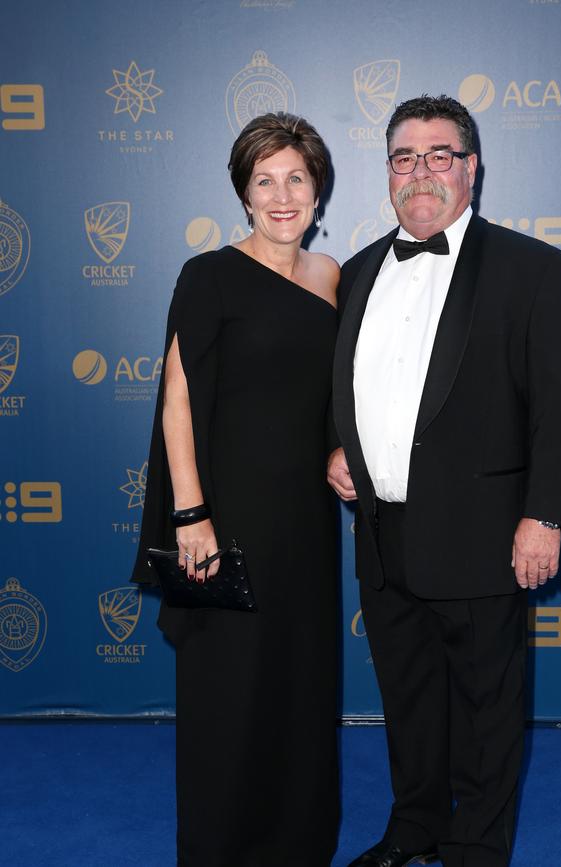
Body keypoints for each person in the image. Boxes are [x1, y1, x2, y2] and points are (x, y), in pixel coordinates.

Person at [327, 95, 561, 867]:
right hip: (382, 532)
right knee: (408, 701)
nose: (421, 172)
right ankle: (416, 824)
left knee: (485, 708)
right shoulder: (357, 271)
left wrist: (544, 515)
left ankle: (477, 846)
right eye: (404, 157)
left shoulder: (533, 268)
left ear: (472, 169)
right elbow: (338, 384)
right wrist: (335, 447)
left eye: (440, 155)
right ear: (388, 173)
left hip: (484, 532)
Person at [132, 112, 340, 867]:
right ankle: (221, 847)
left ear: (317, 192)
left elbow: (335, 395)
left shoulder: (333, 277)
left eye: (296, 178)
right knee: (228, 690)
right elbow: (177, 399)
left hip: (306, 523)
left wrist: (343, 447)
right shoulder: (209, 274)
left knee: (300, 682)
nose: (282, 195)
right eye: (265, 180)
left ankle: (297, 841)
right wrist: (192, 513)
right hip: (225, 514)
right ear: (244, 194)